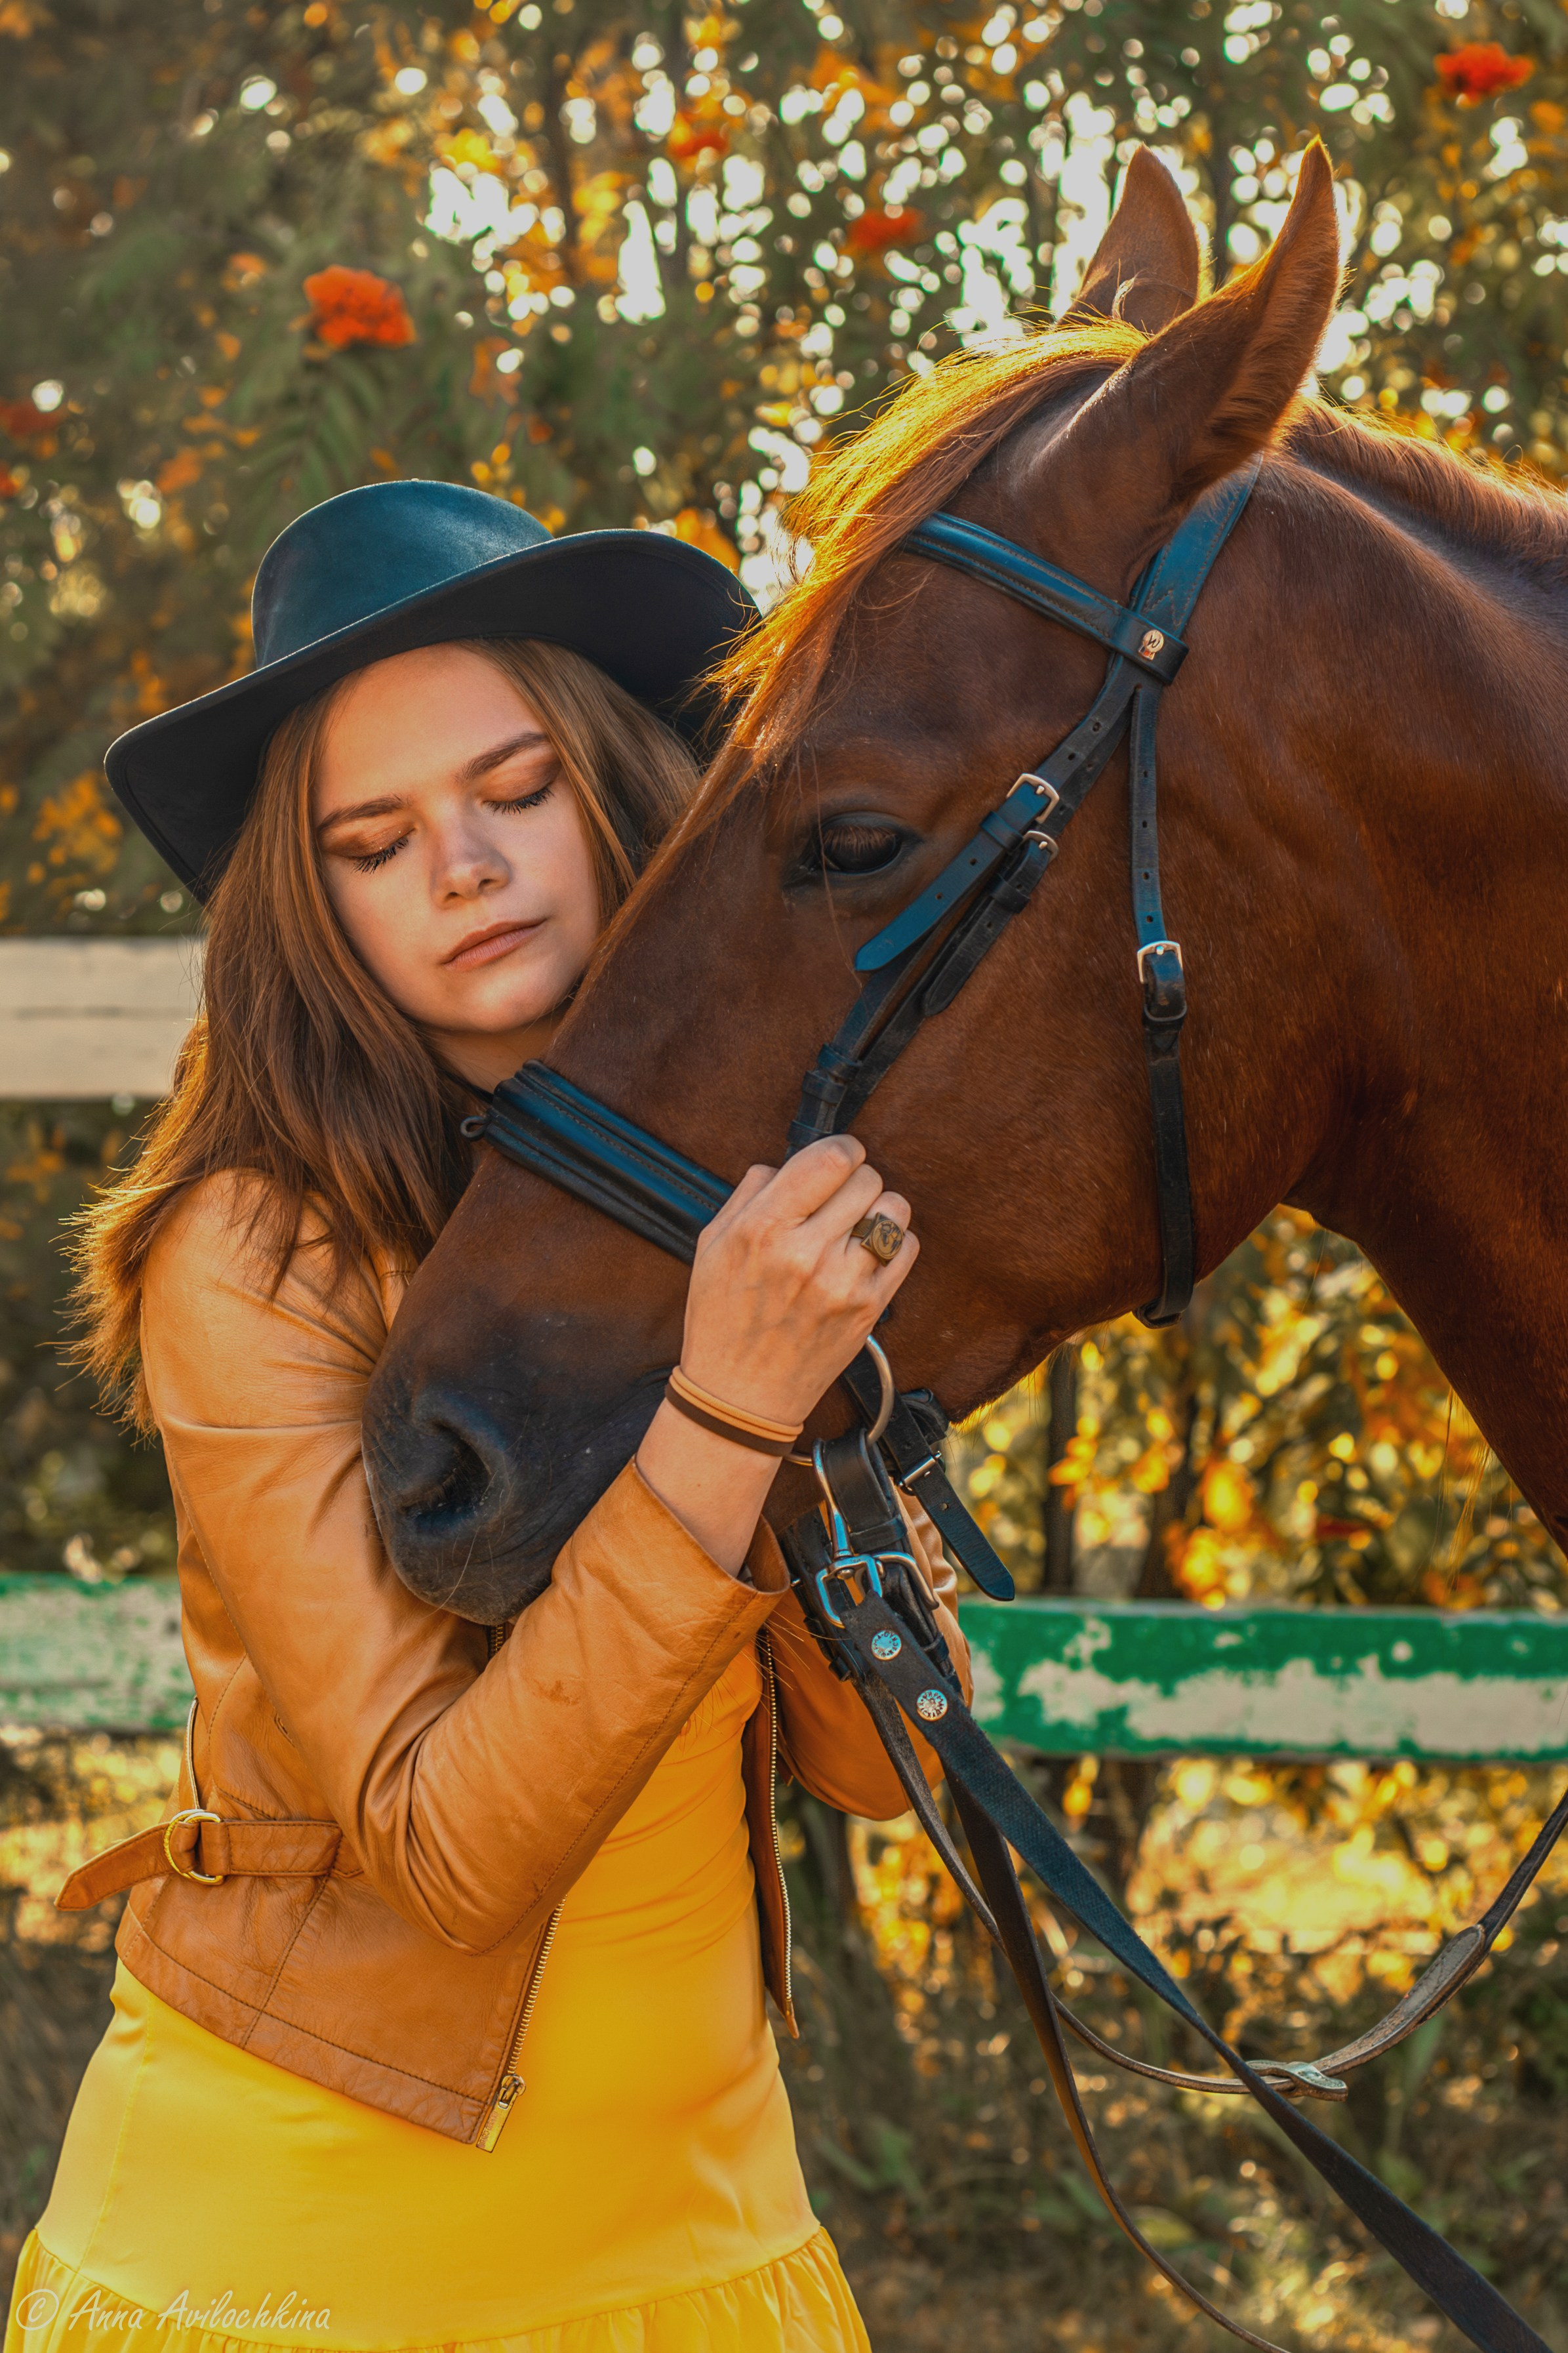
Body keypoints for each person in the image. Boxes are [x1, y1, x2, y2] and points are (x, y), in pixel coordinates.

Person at [5, 480, 970, 2353]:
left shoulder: (737, 1204)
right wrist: (725, 1405)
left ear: (613, 789)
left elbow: (880, 1768)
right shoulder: (258, 1248)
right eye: (376, 840)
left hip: (709, 2242)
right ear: (316, 905)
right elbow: (444, 1854)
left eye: (514, 792)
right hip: (312, 2272)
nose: (462, 866)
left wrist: (826, 1393)